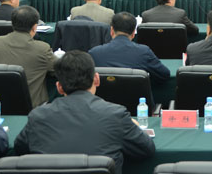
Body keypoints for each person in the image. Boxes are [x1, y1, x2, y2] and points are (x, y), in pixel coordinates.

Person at [14, 51, 155, 174]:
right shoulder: (116, 114)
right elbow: (146, 149)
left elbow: (20, 148)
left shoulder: (38, 116)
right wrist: (134, 126)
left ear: (59, 87)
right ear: (97, 79)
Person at [0, 6, 57, 107]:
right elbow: (59, 70)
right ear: (34, 27)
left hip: (0, 104)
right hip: (33, 107)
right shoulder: (42, 48)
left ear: (12, 23)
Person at [90, 12, 170, 84]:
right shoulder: (144, 52)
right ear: (133, 33)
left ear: (111, 30)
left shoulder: (94, 53)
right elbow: (165, 74)